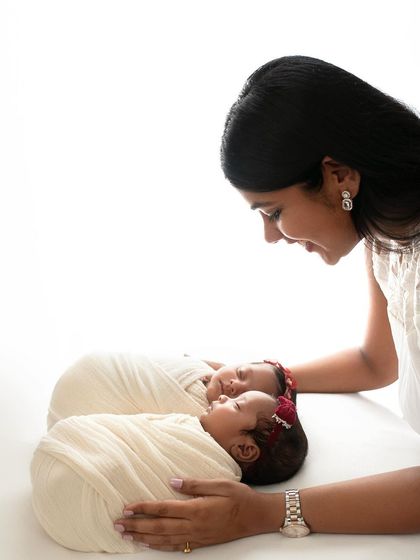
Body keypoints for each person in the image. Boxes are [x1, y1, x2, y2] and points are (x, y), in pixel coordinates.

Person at [113, 55, 420, 549]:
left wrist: (268, 512)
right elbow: (376, 362)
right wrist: (275, 376)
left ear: (339, 176)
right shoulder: (390, 233)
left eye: (273, 212)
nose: (270, 237)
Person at [31, 391, 307, 552]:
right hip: (71, 461)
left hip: (75, 485)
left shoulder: (216, 477)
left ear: (244, 450)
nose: (223, 395)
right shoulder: (186, 424)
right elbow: (137, 430)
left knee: (103, 467)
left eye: (235, 405)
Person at [47, 352, 295, 429]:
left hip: (79, 407)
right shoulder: (196, 367)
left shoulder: (211, 420)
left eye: (242, 396)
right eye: (240, 373)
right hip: (94, 374)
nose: (233, 386)